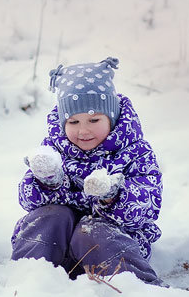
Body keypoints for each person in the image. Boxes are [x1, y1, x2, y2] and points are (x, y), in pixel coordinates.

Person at [12, 57, 164, 285]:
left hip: (109, 246)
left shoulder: (134, 152)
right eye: (73, 122)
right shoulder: (54, 148)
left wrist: (113, 196)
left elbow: (148, 203)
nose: (83, 130)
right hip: (57, 250)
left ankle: (140, 291)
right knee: (50, 217)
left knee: (92, 231)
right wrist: (47, 182)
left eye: (94, 120)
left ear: (111, 118)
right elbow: (28, 201)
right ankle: (26, 282)